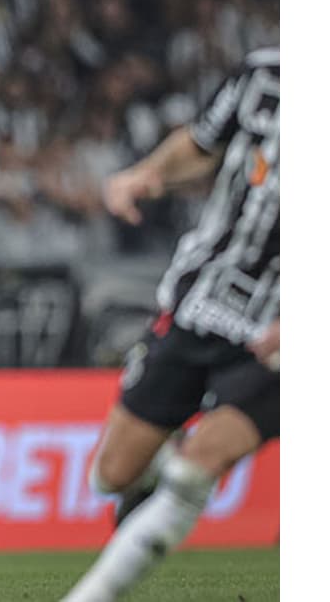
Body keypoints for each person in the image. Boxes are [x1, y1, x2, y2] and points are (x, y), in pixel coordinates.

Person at [61, 47, 279, 602]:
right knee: (111, 474)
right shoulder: (264, 75)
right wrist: (147, 175)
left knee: (195, 470)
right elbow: (203, 142)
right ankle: (167, 465)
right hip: (202, 300)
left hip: (280, 334)